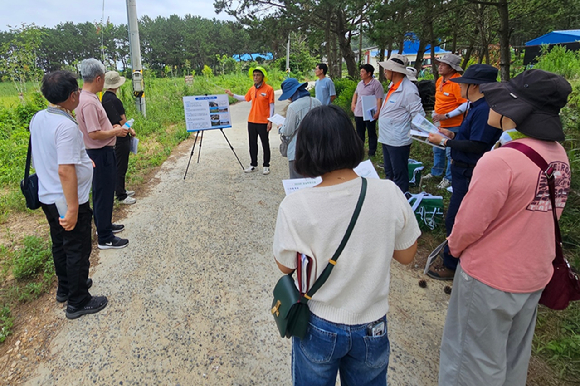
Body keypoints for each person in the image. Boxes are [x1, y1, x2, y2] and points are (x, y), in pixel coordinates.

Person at [439, 69, 572, 386]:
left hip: (489, 277)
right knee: (513, 359)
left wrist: (452, 247)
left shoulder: (500, 161)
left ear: (515, 109)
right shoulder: (558, 156)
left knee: (470, 363)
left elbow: (469, 225)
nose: (492, 104)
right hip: (534, 274)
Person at [273, 105, 421, 386]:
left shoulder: (295, 204)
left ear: (305, 150)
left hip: (318, 323)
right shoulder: (388, 191)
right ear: (352, 141)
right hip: (372, 325)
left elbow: (285, 265)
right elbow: (406, 254)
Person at [30, 70, 108, 319]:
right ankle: (78, 301)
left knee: (60, 244)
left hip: (48, 196)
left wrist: (85, 163)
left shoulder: (39, 118)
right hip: (66, 198)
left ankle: (66, 288)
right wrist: (73, 208)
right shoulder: (65, 126)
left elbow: (50, 156)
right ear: (73, 95)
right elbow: (65, 170)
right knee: (77, 247)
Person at [426, 64, 501, 280]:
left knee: (458, 218)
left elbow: (479, 146)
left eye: (463, 84)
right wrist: (451, 134)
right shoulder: (476, 106)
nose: (459, 88)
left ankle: (452, 264)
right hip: (463, 169)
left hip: (469, 171)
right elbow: (470, 139)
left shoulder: (485, 109)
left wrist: (445, 143)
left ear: (474, 85)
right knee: (458, 217)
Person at [76, 58, 129, 250]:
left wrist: (111, 127)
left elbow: (98, 128)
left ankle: (104, 226)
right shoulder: (89, 102)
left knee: (104, 193)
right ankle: (105, 237)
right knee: (103, 194)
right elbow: (94, 134)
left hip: (102, 152)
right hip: (100, 153)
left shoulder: (87, 98)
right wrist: (115, 131)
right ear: (98, 78)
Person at [377, 54, 425, 193]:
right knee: (389, 172)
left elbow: (418, 115)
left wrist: (411, 132)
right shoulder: (392, 85)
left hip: (398, 140)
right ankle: (391, 199)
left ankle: (402, 199)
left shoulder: (409, 90)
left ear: (395, 71)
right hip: (387, 137)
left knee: (399, 174)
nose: (385, 72)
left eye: (387, 69)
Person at [423, 54, 468, 189]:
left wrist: (446, 115)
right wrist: (436, 113)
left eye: (444, 64)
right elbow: (440, 100)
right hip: (439, 122)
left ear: (452, 68)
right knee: (437, 147)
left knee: (450, 152)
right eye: (440, 64)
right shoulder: (440, 81)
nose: (440, 66)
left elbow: (465, 104)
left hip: (453, 124)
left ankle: (449, 178)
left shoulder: (457, 82)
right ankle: (436, 171)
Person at [225, 66, 274, 175]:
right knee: (252, 143)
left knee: (265, 143)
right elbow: (245, 98)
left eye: (258, 75)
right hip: (252, 120)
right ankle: (253, 164)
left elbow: (272, 105)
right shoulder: (252, 89)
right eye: (254, 75)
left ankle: (266, 165)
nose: (256, 77)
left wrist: (270, 120)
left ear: (262, 77)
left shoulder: (269, 89)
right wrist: (232, 94)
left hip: (263, 121)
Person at [101, 71, 137, 205]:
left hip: (111, 134)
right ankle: (121, 194)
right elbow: (122, 119)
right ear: (117, 85)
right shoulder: (115, 100)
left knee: (117, 165)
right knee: (121, 166)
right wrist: (130, 129)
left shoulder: (104, 98)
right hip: (121, 136)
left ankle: (120, 189)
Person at [278, 78, 322, 179]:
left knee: (297, 183)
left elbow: (288, 131)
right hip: (316, 149)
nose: (288, 98)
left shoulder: (293, 106)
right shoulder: (317, 102)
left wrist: (281, 127)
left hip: (297, 151)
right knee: (315, 181)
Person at [351, 64, 384, 157]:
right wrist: (353, 104)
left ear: (369, 73)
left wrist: (378, 111)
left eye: (362, 72)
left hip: (370, 113)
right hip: (359, 112)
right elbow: (356, 94)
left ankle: (372, 152)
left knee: (371, 132)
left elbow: (379, 98)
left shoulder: (376, 84)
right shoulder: (360, 84)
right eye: (360, 71)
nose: (360, 74)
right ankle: (359, 151)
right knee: (359, 133)